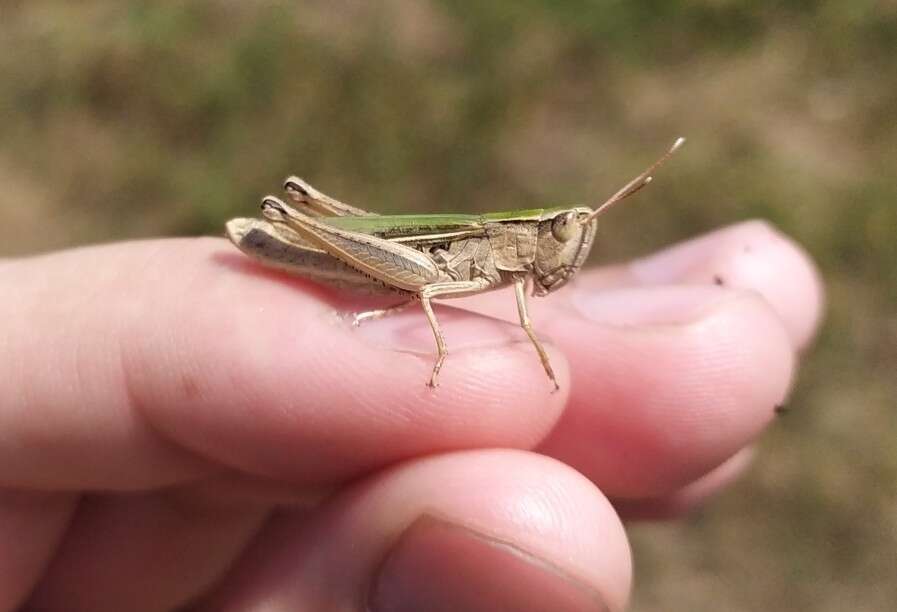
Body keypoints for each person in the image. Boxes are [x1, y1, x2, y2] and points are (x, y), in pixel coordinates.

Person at [0, 220, 822, 611]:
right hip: (381, 254)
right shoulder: (488, 246)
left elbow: (527, 305)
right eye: (557, 238)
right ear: (525, 238)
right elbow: (445, 287)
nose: (560, 253)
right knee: (431, 311)